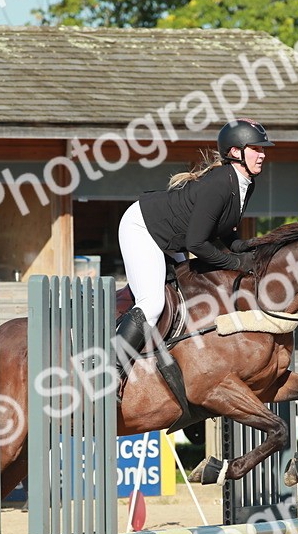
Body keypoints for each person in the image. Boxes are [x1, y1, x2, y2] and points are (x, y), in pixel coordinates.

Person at [113, 118, 272, 388]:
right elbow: (197, 244)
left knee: (187, 297)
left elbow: (226, 233)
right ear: (236, 152)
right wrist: (236, 262)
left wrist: (251, 250)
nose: (262, 154)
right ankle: (112, 369)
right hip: (143, 227)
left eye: (262, 149)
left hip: (174, 239)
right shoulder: (220, 183)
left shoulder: (245, 183)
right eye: (256, 148)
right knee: (152, 304)